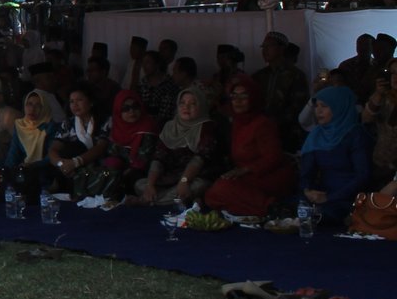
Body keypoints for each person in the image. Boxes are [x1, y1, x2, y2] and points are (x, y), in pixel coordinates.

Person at [202, 75, 294, 217]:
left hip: (269, 175)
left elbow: (273, 158)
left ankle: (270, 207)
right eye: (234, 97)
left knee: (222, 188)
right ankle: (258, 208)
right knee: (212, 196)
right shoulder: (237, 123)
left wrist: (245, 170)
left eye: (244, 97)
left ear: (253, 98)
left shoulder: (263, 123)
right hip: (247, 175)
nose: (238, 102)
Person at [130, 89, 220, 207]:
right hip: (171, 178)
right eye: (182, 103)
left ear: (201, 106)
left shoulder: (207, 128)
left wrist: (184, 182)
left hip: (195, 177)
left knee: (199, 186)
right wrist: (150, 185)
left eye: (192, 104)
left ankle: (146, 201)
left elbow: (199, 159)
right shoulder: (170, 126)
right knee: (140, 184)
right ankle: (180, 200)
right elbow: (159, 157)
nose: (186, 107)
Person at [298, 85, 373, 226]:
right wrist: (307, 191)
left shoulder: (355, 135)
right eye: (316, 106)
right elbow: (306, 173)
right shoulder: (316, 134)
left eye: (324, 106)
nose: (318, 111)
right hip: (321, 195)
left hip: (349, 197)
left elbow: (362, 176)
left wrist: (330, 197)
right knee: (289, 208)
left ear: (339, 107)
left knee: (326, 215)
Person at [255, 30, 309, 150]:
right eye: (263, 47)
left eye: (269, 46)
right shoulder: (259, 76)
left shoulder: (296, 75)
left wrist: (274, 123)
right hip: (261, 132)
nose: (265, 50)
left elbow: (297, 107)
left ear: (281, 49)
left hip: (287, 134)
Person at [99, 90, 157, 197]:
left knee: (131, 179)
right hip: (120, 170)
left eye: (135, 106)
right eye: (126, 109)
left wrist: (121, 175)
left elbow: (144, 159)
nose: (132, 111)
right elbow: (112, 153)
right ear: (118, 111)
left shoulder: (148, 127)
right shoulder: (116, 128)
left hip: (140, 171)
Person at [361, 58, 397, 175]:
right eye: (392, 73)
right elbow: (366, 119)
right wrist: (378, 94)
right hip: (381, 160)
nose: (395, 77)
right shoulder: (384, 97)